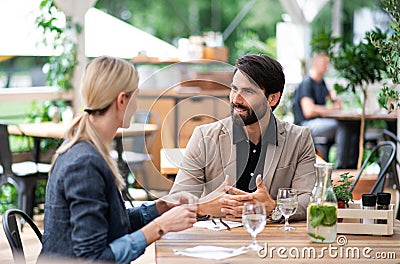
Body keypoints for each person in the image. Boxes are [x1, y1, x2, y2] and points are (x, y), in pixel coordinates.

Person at [38, 56, 198, 263]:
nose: (137, 104)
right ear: (122, 100)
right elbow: (94, 259)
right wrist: (160, 226)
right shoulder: (84, 164)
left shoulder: (85, 147)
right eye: (136, 96)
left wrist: (161, 207)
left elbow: (109, 223)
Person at [169, 54, 316, 220]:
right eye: (234, 89)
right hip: (218, 240)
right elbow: (177, 200)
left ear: (272, 98)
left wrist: (273, 207)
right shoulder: (203, 136)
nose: (236, 99)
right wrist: (205, 207)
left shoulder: (299, 139)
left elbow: (309, 198)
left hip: (271, 239)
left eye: (247, 91)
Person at [292, 52, 359, 169]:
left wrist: (335, 100)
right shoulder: (307, 83)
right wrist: (330, 109)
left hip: (320, 123)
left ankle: (353, 167)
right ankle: (342, 168)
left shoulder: (321, 83)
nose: (326, 66)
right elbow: (309, 111)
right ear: (314, 63)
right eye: (324, 63)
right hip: (306, 126)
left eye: (327, 64)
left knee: (353, 124)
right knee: (342, 126)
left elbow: (331, 98)